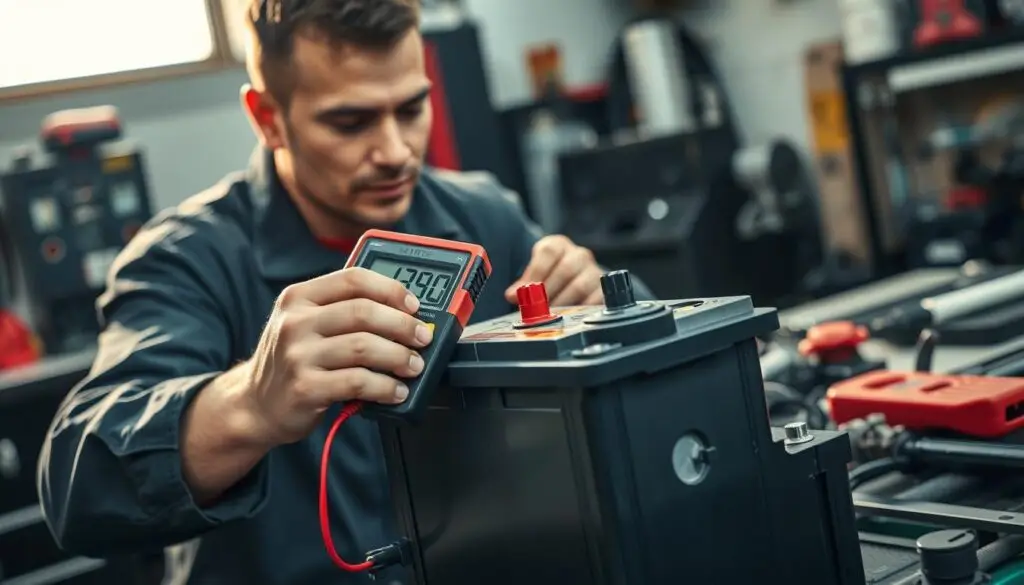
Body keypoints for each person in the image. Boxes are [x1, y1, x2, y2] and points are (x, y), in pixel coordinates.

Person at [37, 0, 653, 584]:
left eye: (411, 109)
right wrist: (250, 401)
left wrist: (601, 314)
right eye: (350, 121)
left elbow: (663, 357)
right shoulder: (186, 258)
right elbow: (76, 484)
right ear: (268, 118)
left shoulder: (482, 216)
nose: (394, 152)